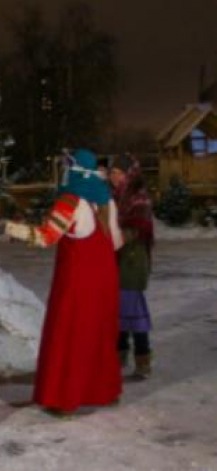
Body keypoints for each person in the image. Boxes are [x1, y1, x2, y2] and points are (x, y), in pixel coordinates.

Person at [6, 149, 123, 416]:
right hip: (104, 280)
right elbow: (116, 242)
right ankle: (104, 391)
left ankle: (64, 399)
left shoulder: (70, 201)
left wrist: (9, 228)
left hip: (76, 282)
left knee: (70, 336)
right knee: (98, 335)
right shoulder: (106, 201)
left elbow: (46, 236)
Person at [109, 154, 154, 380]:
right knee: (117, 311)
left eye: (117, 172)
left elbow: (140, 228)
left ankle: (143, 360)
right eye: (112, 172)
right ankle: (119, 356)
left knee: (133, 312)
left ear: (128, 174)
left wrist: (115, 237)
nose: (113, 176)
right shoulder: (114, 196)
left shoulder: (139, 196)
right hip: (118, 259)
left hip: (133, 261)